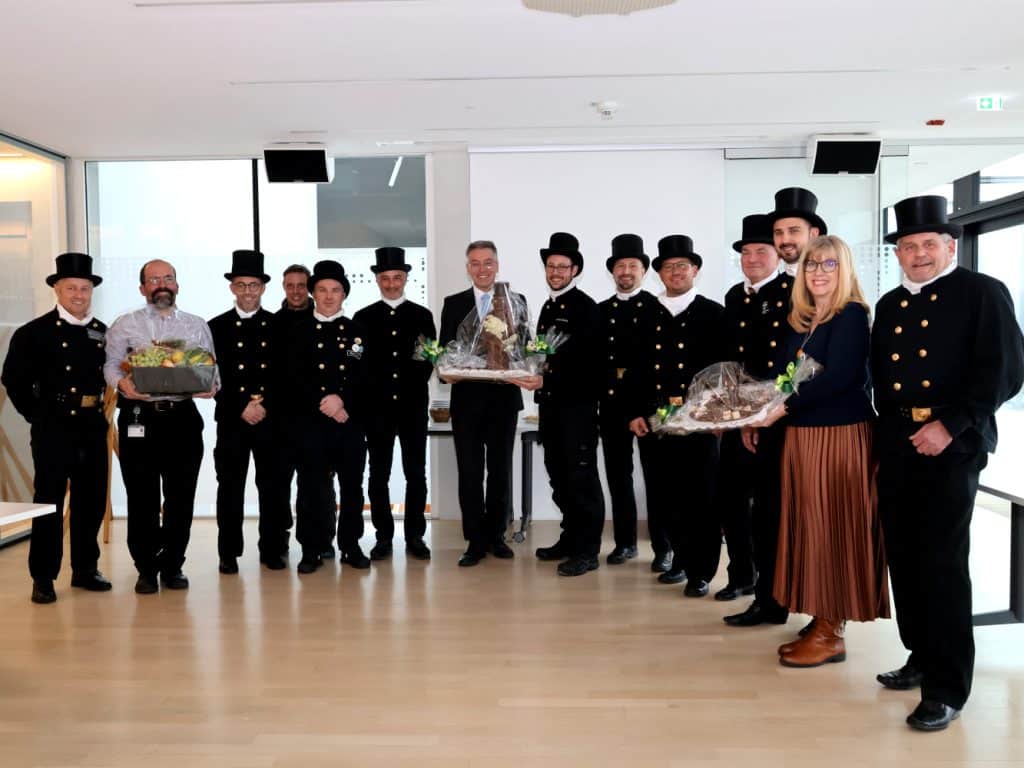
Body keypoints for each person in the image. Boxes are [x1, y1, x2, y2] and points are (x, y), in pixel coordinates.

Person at [872, 195, 1024, 731]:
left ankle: (948, 686)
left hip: (952, 446)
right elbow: (881, 382)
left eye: (928, 245)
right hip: (897, 444)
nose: (918, 254)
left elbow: (1004, 373)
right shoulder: (890, 304)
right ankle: (920, 656)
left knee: (941, 565)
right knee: (905, 560)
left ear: (950, 246)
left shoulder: (982, 293)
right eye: (908, 246)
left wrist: (950, 425)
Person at [744, 235, 890, 669]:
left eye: (828, 265)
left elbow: (839, 378)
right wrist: (757, 412)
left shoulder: (851, 315)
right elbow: (785, 378)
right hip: (803, 436)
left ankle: (832, 631)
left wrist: (779, 410)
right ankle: (822, 616)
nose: (818, 273)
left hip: (838, 437)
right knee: (810, 526)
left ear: (843, 270)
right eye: (811, 265)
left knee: (834, 529)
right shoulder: (802, 318)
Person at [725, 187, 827, 628]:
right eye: (779, 233)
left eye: (791, 233)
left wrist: (770, 411)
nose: (755, 257)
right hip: (756, 419)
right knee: (763, 514)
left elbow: (813, 364)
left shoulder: (807, 290)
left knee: (802, 518)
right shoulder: (740, 296)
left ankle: (818, 614)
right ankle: (768, 598)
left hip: (802, 419)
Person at [2, 252, 111, 604]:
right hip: (54, 428)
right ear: (57, 290)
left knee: (90, 500)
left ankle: (84, 568)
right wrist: (38, 416)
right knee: (48, 502)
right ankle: (44, 576)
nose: (79, 295)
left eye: (84, 288)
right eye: (71, 288)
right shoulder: (34, 333)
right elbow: (13, 381)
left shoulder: (102, 332)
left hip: (93, 425)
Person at [103, 259, 217, 594]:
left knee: (181, 497)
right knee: (142, 497)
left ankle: (173, 566)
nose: (161, 283)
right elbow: (110, 365)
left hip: (182, 419)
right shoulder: (125, 325)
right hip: (139, 418)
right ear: (143, 288)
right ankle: (145, 568)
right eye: (154, 279)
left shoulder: (196, 326)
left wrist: (211, 385)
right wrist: (122, 384)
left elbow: (211, 366)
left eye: (168, 277)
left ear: (177, 285)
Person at [628, 235, 724, 597]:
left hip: (700, 422)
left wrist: (719, 417)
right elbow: (635, 368)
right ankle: (680, 559)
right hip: (657, 421)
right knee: (666, 497)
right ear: (659, 274)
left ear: (694, 270)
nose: (675, 272)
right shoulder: (645, 312)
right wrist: (635, 412)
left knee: (701, 497)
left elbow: (724, 371)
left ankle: (701, 570)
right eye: (668, 267)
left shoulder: (714, 313)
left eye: (682, 266)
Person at [713, 214, 789, 601]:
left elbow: (792, 364)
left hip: (775, 419)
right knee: (731, 501)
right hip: (735, 417)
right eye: (746, 251)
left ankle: (769, 587)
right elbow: (730, 359)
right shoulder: (734, 296)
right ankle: (740, 573)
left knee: (768, 509)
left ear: (777, 254)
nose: (753, 257)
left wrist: (762, 414)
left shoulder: (794, 292)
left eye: (762, 250)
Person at [439, 241, 528, 567]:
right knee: (470, 472)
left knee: (501, 471)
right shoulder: (454, 303)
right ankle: (474, 541)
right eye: (475, 263)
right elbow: (446, 348)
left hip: (504, 399)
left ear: (497, 265)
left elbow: (525, 347)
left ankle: (497, 536)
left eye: (488, 262)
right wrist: (446, 370)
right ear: (468, 268)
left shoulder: (516, 301)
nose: (482, 268)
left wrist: (528, 366)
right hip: (467, 402)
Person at [279, 260, 370, 573]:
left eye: (335, 290)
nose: (329, 296)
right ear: (313, 293)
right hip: (311, 424)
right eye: (322, 290)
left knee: (352, 488)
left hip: (349, 422)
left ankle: (351, 544)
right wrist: (324, 401)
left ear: (344, 293)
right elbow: (291, 379)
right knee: (310, 489)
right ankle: (311, 548)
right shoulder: (298, 331)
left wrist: (342, 401)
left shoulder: (358, 332)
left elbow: (365, 377)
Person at [208, 249, 290, 574]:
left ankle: (271, 549)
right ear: (232, 288)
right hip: (232, 420)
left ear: (263, 288)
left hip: (271, 421)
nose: (247, 292)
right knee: (230, 488)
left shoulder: (279, 326)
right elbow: (210, 377)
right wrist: (241, 405)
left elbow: (288, 376)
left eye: (253, 285)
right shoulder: (214, 327)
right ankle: (228, 552)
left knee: (272, 487)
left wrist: (263, 405)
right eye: (241, 285)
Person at [353, 247, 436, 561]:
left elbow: (427, 360)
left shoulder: (422, 316)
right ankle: (383, 536)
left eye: (397, 277)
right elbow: (355, 363)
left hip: (413, 407)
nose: (391, 284)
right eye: (385, 278)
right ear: (377, 279)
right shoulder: (362, 318)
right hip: (376, 411)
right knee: (378, 474)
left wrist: (404, 389)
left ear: (406, 278)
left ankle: (415, 535)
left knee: (416, 474)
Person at [531, 233, 606, 576]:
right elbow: (546, 356)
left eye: (563, 266)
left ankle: (588, 550)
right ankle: (570, 538)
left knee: (581, 479)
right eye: (551, 266)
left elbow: (590, 364)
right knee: (559, 478)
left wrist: (547, 377)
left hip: (577, 411)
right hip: (551, 410)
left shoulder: (585, 307)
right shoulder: (548, 306)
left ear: (575, 269)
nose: (556, 271)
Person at [598, 234, 667, 571]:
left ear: (644, 271)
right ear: (613, 271)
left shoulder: (658, 308)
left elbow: (656, 367)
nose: (626, 271)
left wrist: (641, 410)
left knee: (656, 480)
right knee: (618, 478)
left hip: (648, 409)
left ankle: (663, 547)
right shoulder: (601, 311)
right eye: (620, 266)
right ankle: (625, 543)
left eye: (633, 266)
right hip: (611, 409)